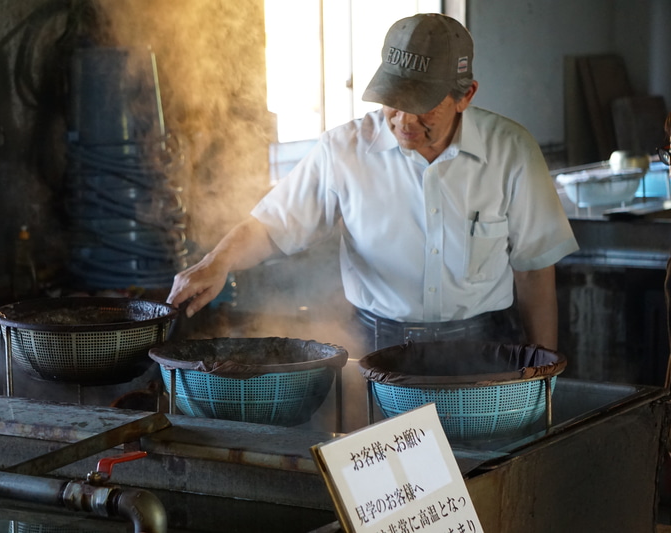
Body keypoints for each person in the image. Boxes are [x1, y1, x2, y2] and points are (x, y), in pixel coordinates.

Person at [166, 13, 579, 352]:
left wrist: (544, 367)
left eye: (423, 107)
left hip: (485, 347)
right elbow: (271, 227)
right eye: (394, 102)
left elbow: (534, 269)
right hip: (378, 348)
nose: (404, 121)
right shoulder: (342, 150)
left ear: (465, 95)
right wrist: (215, 263)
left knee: (483, 454)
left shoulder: (511, 151)